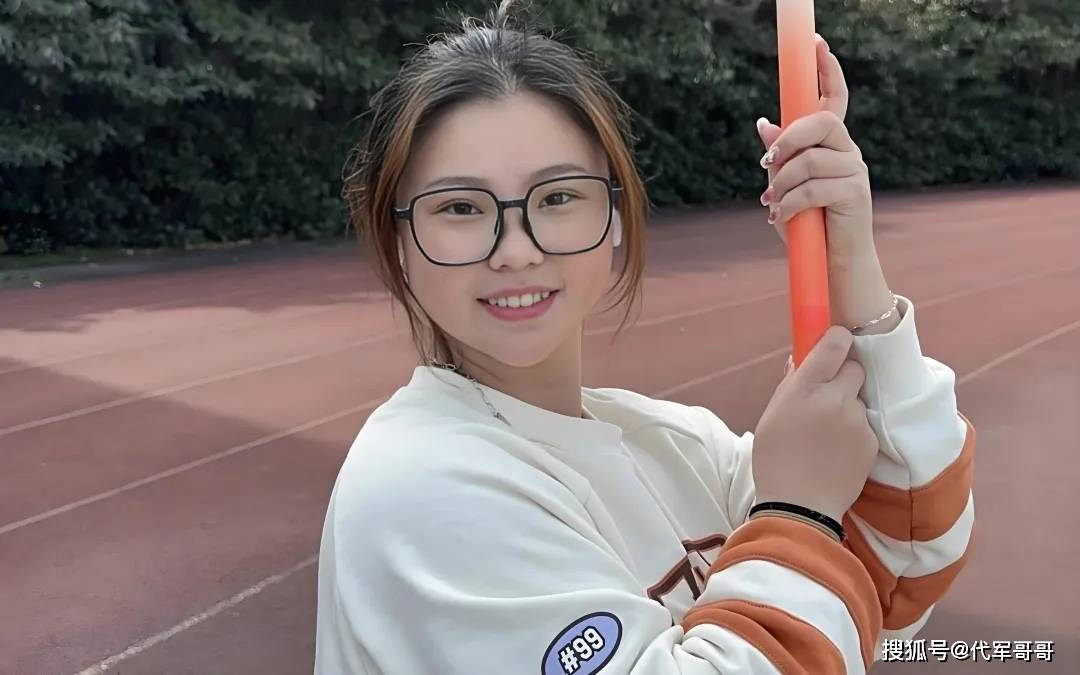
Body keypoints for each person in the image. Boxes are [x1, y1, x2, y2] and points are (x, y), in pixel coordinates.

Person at [315, 3, 976, 673]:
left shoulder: (679, 446)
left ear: (615, 216)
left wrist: (847, 260)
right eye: (460, 207)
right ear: (398, 241)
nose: (515, 250)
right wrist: (797, 511)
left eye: (557, 197)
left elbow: (903, 568)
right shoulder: (423, 487)